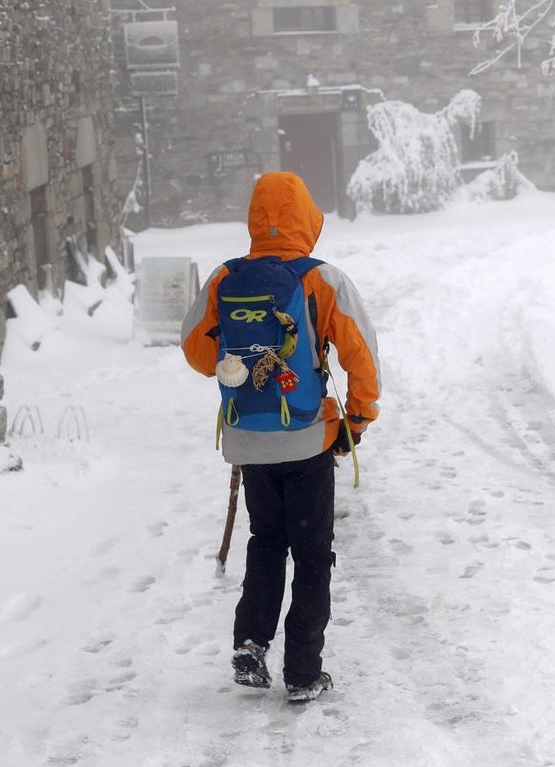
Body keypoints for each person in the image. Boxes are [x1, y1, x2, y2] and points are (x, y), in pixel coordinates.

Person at [181, 171, 381, 703]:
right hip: (309, 439)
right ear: (308, 217)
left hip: (250, 438)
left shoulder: (227, 277)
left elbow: (198, 354)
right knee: (312, 551)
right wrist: (357, 420)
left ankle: (250, 643)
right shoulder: (323, 279)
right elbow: (361, 356)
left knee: (266, 541)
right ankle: (302, 672)